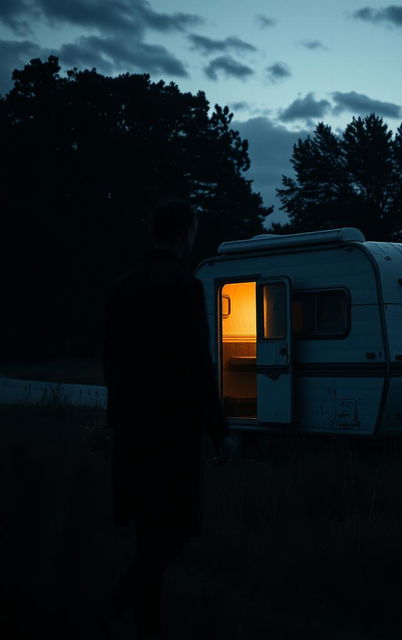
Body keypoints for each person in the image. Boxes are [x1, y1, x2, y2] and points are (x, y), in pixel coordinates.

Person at [102, 200, 226, 639]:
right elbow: (197, 361)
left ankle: (145, 626)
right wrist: (217, 427)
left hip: (132, 429)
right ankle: (117, 603)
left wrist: (116, 415)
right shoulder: (185, 287)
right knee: (174, 532)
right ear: (185, 234)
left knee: (146, 532)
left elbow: (110, 361)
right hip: (173, 432)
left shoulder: (123, 287)